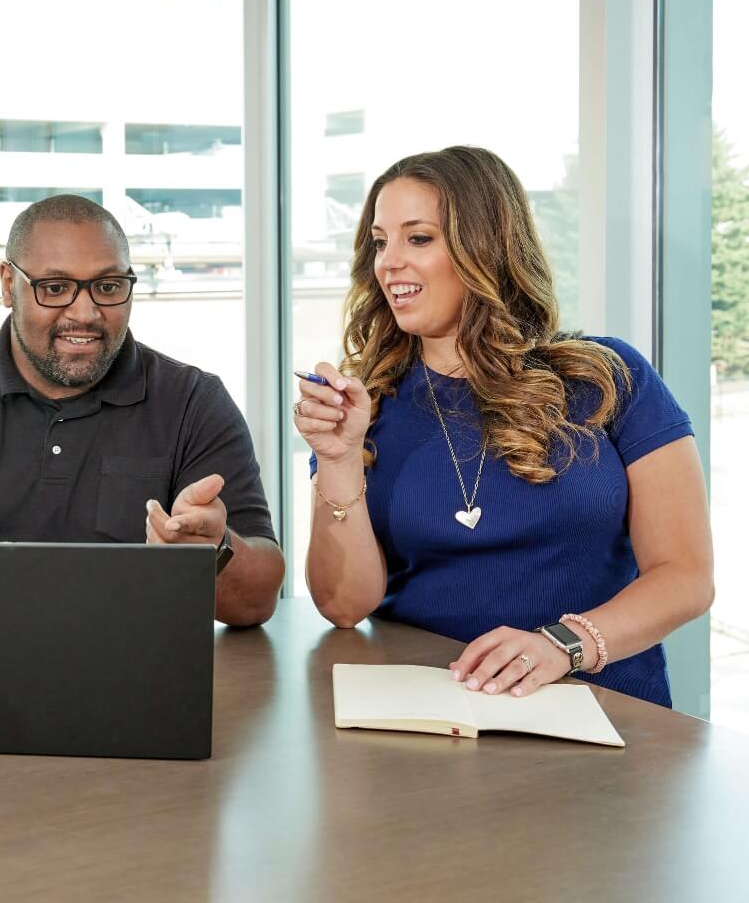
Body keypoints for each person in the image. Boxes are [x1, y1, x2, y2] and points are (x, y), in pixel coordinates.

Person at [295, 145, 713, 706]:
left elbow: (685, 576)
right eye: (379, 241)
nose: (388, 262)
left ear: (485, 247)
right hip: (426, 718)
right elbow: (343, 606)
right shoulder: (363, 408)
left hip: (605, 714)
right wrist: (341, 459)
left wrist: (560, 645)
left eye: (418, 238)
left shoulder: (608, 377)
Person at [0, 194, 285, 625]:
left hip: (138, 684)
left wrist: (214, 550)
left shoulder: (194, 402)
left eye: (108, 286)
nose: (85, 312)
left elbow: (257, 602)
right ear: (8, 285)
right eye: (55, 288)